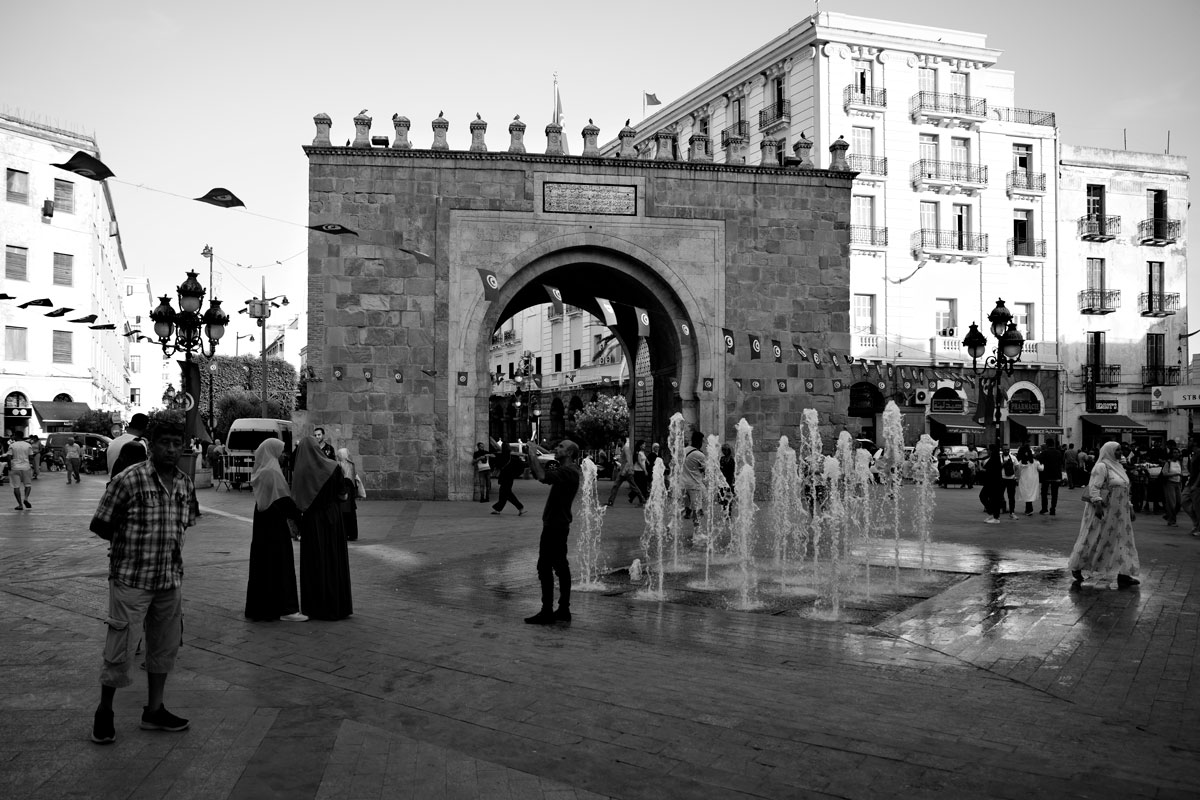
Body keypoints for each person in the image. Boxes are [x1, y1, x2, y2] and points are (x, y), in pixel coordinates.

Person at [87, 420, 198, 745]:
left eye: (177, 443)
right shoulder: (128, 479)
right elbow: (100, 524)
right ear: (152, 445)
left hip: (169, 579)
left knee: (163, 646)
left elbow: (186, 523)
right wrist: (130, 545)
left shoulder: (185, 484)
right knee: (120, 647)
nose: (172, 449)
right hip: (132, 579)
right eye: (165, 442)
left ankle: (154, 710)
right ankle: (105, 711)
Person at [245, 438, 306, 623]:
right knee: (281, 564)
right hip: (275, 526)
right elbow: (283, 500)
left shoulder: (261, 471)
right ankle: (286, 608)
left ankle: (262, 608)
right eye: (280, 451)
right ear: (272, 451)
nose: (283, 455)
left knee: (264, 565)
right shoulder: (273, 472)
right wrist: (300, 518)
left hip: (262, 525)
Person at [292, 437, 353, 620]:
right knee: (333, 559)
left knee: (314, 563)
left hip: (311, 522)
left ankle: (315, 607)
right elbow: (343, 496)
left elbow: (297, 502)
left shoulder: (300, 472)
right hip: (333, 519)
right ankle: (337, 606)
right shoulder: (333, 467)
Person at [523, 439, 582, 625]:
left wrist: (533, 452)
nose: (557, 448)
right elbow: (539, 474)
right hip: (555, 524)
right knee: (555, 566)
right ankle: (561, 609)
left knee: (551, 567)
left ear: (570, 453)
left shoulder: (569, 472)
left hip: (556, 526)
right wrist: (532, 457)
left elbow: (541, 476)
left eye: (561, 447)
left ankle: (550, 611)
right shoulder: (566, 471)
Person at [1067, 441, 1140, 588]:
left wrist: (1130, 507)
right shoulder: (1101, 466)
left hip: (1121, 513)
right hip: (1104, 511)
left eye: (1120, 450)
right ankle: (1077, 566)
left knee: (1123, 541)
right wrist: (1098, 503)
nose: (1120, 452)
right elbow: (1094, 486)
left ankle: (1124, 574)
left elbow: (1125, 489)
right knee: (1094, 537)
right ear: (1109, 451)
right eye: (1117, 450)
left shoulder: (1119, 467)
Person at [606, 436, 645, 507]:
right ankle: (610, 501)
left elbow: (628, 461)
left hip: (627, 471)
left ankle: (642, 500)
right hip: (624, 470)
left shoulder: (626, 449)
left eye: (619, 441)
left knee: (633, 487)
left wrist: (624, 472)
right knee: (616, 486)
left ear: (622, 441)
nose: (618, 442)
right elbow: (624, 460)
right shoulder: (624, 449)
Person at [491, 442, 525, 516]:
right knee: (504, 493)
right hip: (510, 478)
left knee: (507, 494)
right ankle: (498, 509)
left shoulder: (502, 456)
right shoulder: (512, 456)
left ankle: (520, 507)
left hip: (504, 478)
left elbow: (498, 464)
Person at [680, 430, 707, 521]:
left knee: (686, 503)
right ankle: (696, 527)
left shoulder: (684, 450)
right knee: (697, 509)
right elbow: (704, 470)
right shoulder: (700, 455)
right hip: (694, 484)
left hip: (683, 483)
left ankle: (687, 513)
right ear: (699, 441)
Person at [335, 448, 360, 541]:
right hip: (349, 490)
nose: (337, 456)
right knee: (350, 514)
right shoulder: (351, 464)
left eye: (338, 455)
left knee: (345, 514)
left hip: (346, 490)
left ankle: (346, 533)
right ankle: (352, 534)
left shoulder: (340, 465)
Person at [5, 431, 34, 510]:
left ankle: (20, 505)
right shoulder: (28, 445)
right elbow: (31, 457)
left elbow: (9, 457)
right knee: (28, 484)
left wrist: (9, 467)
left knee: (16, 486)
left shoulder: (12, 445)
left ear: (16, 436)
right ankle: (26, 498)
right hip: (26, 467)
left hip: (15, 467)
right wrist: (31, 465)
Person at [1037, 439, 1064, 516]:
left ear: (1047, 444)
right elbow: (1061, 463)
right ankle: (1053, 509)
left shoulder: (1044, 453)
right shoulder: (1058, 452)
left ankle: (1044, 508)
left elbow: (1039, 460)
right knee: (1054, 494)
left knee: (1044, 493)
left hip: (1046, 476)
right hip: (1056, 476)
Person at [980, 444, 1004, 524]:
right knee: (985, 497)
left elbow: (993, 471)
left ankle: (996, 517)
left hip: (994, 483)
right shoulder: (992, 458)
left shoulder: (995, 458)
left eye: (989, 450)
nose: (988, 451)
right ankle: (992, 514)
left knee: (993, 499)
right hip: (990, 482)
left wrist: (983, 470)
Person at [1160, 445, 1184, 527]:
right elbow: (1165, 473)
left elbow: (1182, 472)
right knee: (1172, 503)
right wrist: (1175, 474)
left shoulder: (1179, 462)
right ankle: (1172, 521)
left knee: (1179, 502)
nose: (1176, 454)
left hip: (1178, 484)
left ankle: (1168, 516)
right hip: (1170, 484)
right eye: (1174, 452)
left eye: (1177, 452)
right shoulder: (1168, 463)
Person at [1014, 444, 1041, 516]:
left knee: (1026, 494)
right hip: (1033, 480)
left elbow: (1017, 470)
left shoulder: (1020, 462)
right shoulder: (1035, 461)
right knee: (1030, 494)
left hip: (1024, 480)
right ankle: (1029, 508)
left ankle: (1028, 509)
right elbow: (1041, 468)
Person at [999, 445, 1017, 518]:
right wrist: (1003, 464)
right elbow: (996, 468)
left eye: (1008, 449)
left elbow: (1017, 467)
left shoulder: (1013, 457)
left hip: (1011, 479)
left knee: (1011, 497)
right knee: (1000, 495)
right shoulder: (999, 458)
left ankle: (1012, 512)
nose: (1006, 451)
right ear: (1002, 450)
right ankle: (1001, 508)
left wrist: (1016, 476)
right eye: (1005, 450)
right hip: (1002, 479)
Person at [630, 439, 648, 506]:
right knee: (641, 486)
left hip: (641, 470)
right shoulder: (638, 453)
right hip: (638, 471)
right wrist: (645, 470)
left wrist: (647, 461)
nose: (645, 445)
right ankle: (641, 499)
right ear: (640, 445)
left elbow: (644, 459)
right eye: (643, 444)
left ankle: (632, 496)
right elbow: (639, 462)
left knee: (641, 485)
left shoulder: (642, 452)